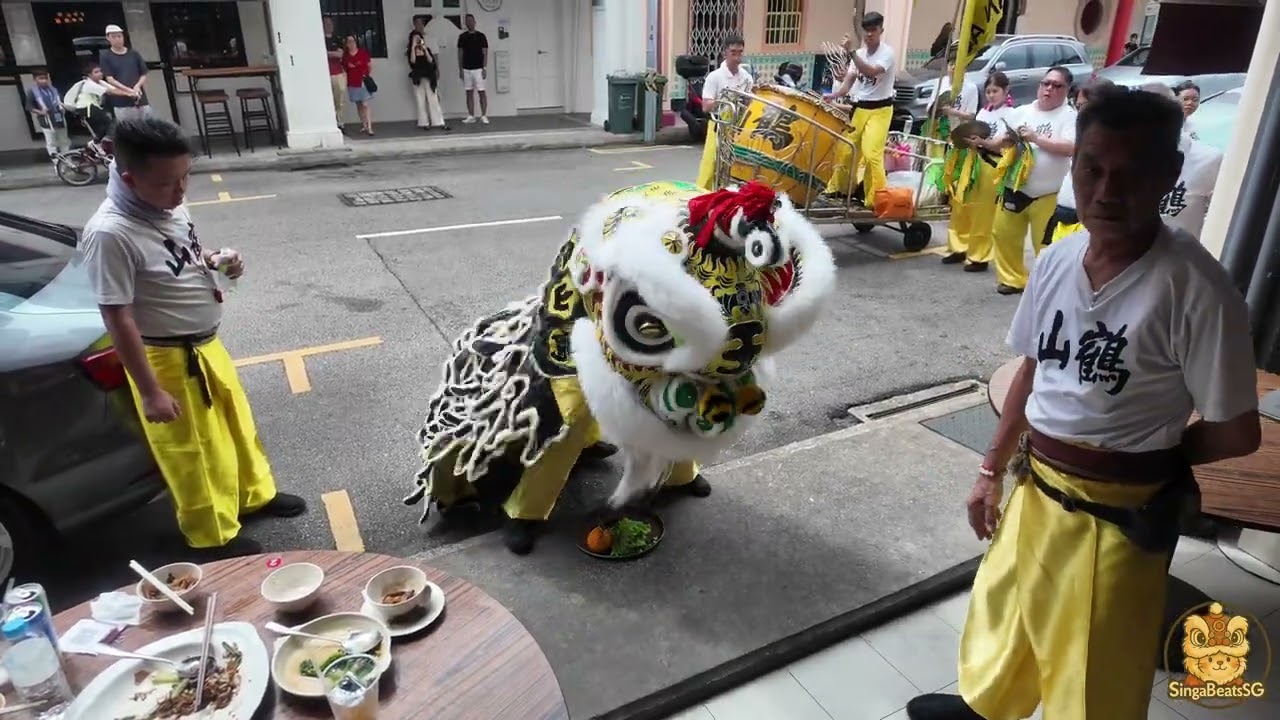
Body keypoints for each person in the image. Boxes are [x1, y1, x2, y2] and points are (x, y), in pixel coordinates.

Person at [905, 87, 1261, 720]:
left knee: (1095, 665)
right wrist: (990, 471)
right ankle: (988, 709)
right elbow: (1033, 370)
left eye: (1132, 173)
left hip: (1120, 514)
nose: (1107, 191)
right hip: (1036, 487)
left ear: (1170, 175)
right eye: (1092, 168)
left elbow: (1237, 432)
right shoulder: (1058, 259)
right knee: (1010, 613)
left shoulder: (1197, 288)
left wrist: (1149, 460)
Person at [408, 180, 837, 556]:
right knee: (572, 410)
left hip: (678, 326)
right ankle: (527, 510)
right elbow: (619, 339)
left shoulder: (759, 266)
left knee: (696, 399)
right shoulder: (627, 266)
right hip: (592, 306)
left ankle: (680, 474)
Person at [78, 117, 308, 559]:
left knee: (236, 427)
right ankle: (211, 535)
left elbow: (182, 257)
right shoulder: (110, 233)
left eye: (186, 176)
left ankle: (253, 495)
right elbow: (116, 316)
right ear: (129, 179)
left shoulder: (170, 207)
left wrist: (217, 260)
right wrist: (150, 391)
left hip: (205, 343)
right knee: (194, 451)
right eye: (167, 183)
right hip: (166, 357)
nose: (180, 190)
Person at [988, 67, 1077, 295]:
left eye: (1056, 85)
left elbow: (1071, 147)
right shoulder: (1021, 112)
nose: (1049, 89)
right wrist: (990, 141)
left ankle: (1048, 285)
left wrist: (1036, 138)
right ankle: (1012, 279)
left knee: (1047, 245)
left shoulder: (1069, 116)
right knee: (1003, 235)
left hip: (1047, 194)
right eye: (1045, 83)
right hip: (1014, 187)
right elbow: (999, 142)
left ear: (1066, 90)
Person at [943, 72, 1014, 273]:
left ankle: (979, 255)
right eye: (988, 91)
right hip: (973, 161)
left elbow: (1004, 144)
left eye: (995, 91)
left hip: (993, 164)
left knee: (984, 212)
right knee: (962, 204)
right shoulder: (983, 113)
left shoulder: (1012, 114)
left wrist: (983, 143)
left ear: (1006, 91)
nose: (991, 95)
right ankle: (959, 246)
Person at [823, 12, 896, 202]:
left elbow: (870, 71)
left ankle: (877, 197)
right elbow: (848, 83)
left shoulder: (887, 53)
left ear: (881, 30)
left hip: (880, 110)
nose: (869, 34)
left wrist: (852, 52)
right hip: (860, 108)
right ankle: (840, 189)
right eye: (866, 31)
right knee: (847, 149)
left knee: (871, 153)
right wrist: (833, 95)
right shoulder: (861, 54)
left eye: (873, 30)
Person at [1045, 77, 1116, 245]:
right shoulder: (1084, 132)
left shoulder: (1112, 140)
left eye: (1083, 106)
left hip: (1085, 225)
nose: (1079, 112)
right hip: (1065, 217)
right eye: (1077, 106)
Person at [694, 35, 753, 190]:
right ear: (725, 53)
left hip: (738, 127)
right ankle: (704, 194)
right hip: (719, 125)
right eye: (733, 53)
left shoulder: (747, 78)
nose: (737, 57)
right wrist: (728, 100)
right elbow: (706, 106)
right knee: (712, 165)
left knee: (735, 168)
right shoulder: (715, 77)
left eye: (740, 52)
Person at [63, 61, 132, 142]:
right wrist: (129, 94)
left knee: (104, 126)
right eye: (96, 72)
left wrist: (131, 92)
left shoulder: (100, 82)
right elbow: (110, 92)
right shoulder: (89, 84)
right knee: (110, 121)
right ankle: (107, 140)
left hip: (93, 107)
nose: (100, 73)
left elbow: (114, 89)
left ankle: (97, 142)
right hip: (85, 108)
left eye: (100, 71)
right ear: (89, 75)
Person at [99, 24, 152, 122]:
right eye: (114, 37)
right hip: (121, 103)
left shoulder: (134, 54)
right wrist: (128, 91)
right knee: (127, 128)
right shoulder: (105, 56)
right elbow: (110, 79)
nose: (118, 39)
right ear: (108, 38)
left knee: (147, 125)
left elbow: (143, 73)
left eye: (120, 36)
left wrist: (137, 86)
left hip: (141, 100)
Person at [26, 68, 69, 159]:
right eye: (41, 78)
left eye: (46, 78)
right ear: (35, 79)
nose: (44, 80)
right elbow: (29, 107)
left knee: (64, 140)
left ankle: (67, 160)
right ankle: (57, 163)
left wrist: (63, 107)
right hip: (46, 120)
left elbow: (61, 102)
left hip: (59, 117)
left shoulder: (54, 90)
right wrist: (40, 112)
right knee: (51, 142)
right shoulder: (32, 92)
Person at [409, 33, 448, 131]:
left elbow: (431, 60)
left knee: (433, 100)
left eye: (419, 38)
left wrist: (424, 48)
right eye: (415, 39)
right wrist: (413, 47)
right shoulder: (411, 51)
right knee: (420, 100)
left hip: (429, 77)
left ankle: (438, 121)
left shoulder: (427, 49)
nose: (418, 40)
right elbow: (412, 61)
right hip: (418, 78)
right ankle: (424, 122)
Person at [457, 14, 489, 124]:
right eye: (467, 21)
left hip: (478, 69)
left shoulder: (481, 36)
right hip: (466, 69)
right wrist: (460, 69)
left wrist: (484, 68)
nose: (469, 23)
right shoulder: (462, 37)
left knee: (481, 92)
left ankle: (484, 115)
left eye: (471, 21)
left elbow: (485, 52)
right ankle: (471, 115)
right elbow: (460, 53)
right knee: (469, 92)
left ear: (475, 22)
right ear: (465, 23)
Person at [342, 35, 374, 135]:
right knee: (359, 105)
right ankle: (364, 124)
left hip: (362, 82)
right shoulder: (346, 56)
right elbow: (344, 69)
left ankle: (369, 127)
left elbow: (369, 65)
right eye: (349, 42)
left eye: (353, 41)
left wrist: (367, 76)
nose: (351, 44)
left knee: (365, 104)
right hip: (352, 83)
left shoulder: (363, 53)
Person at [323, 16, 346, 131]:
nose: (329, 25)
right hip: (325, 73)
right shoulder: (320, 38)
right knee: (327, 99)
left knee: (339, 98)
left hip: (338, 73)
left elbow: (340, 54)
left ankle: (339, 122)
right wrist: (333, 53)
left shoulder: (337, 39)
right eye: (326, 23)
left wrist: (328, 53)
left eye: (330, 23)